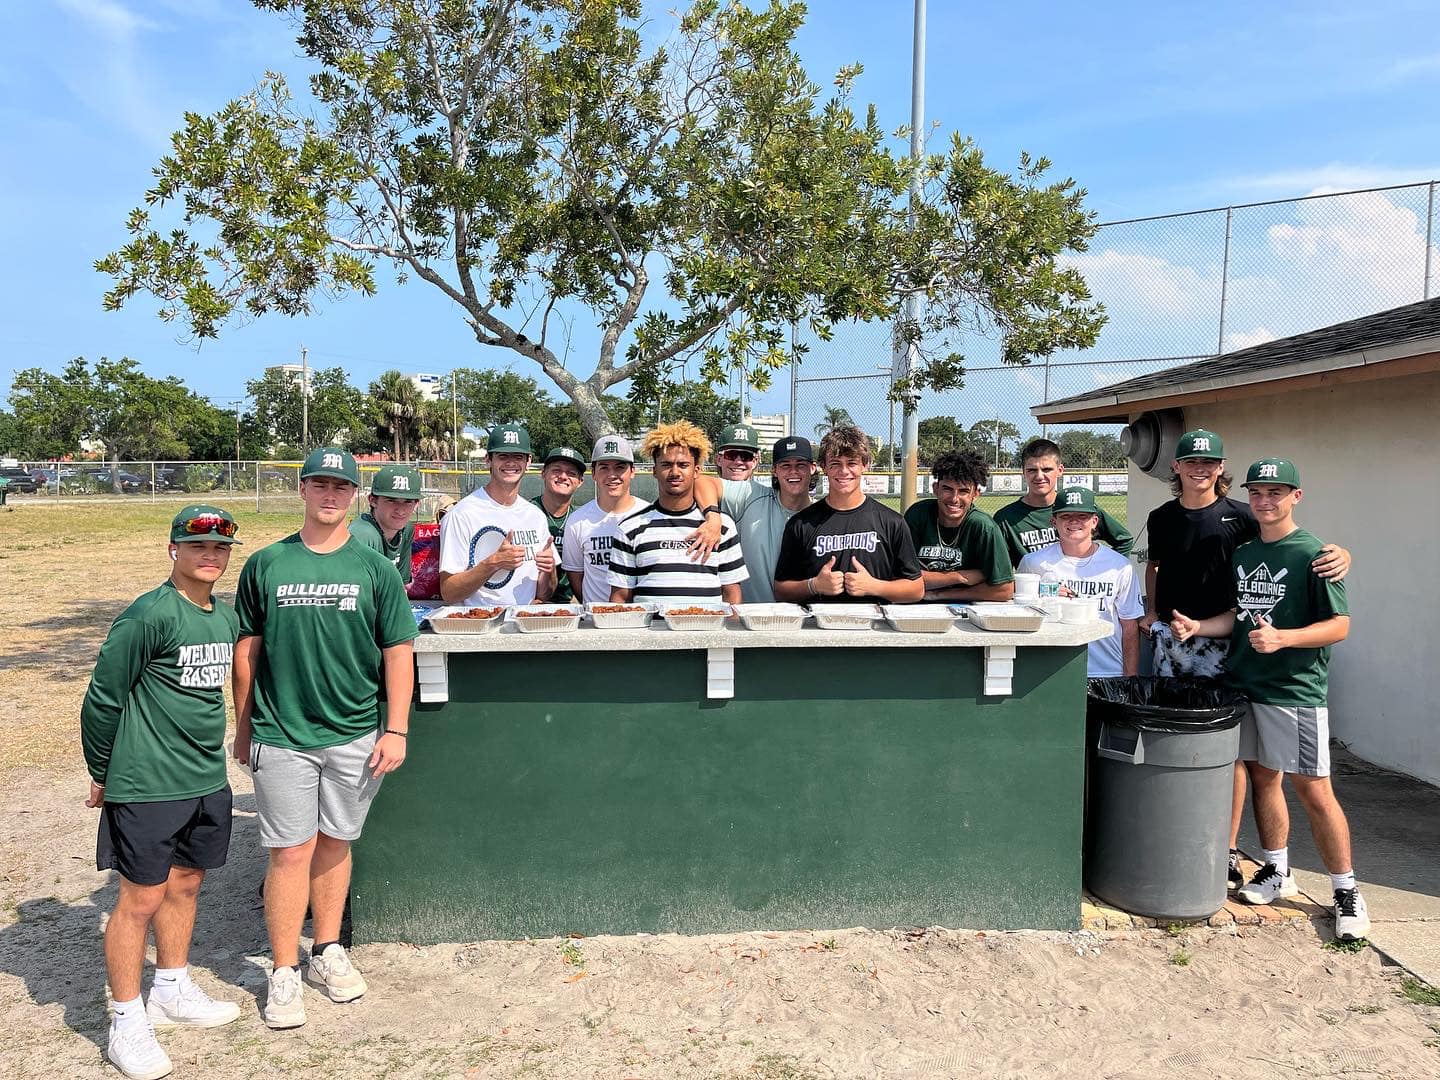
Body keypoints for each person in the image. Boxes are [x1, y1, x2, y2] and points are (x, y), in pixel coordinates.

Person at [232, 447, 418, 1029]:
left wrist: (395, 728)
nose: (330, 495)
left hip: (355, 732)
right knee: (290, 851)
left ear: (355, 495)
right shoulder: (267, 563)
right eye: (320, 484)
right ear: (303, 490)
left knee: (335, 842)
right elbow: (246, 651)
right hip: (282, 731)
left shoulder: (374, 568)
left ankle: (327, 948)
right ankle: (283, 969)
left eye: (341, 486)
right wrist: (243, 727)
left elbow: (398, 650)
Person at [1141, 428, 1351, 887]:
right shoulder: (1164, 518)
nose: (1200, 469)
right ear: (1176, 466)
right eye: (1191, 461)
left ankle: (1232, 850)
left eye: (1209, 462)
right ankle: (1201, 843)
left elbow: (1299, 555)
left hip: (1245, 659)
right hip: (1187, 644)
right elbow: (1158, 567)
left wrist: (1342, 554)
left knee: (1253, 767)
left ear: (1221, 468)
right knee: (1189, 749)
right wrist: (1157, 613)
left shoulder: (1244, 518)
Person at [1170, 458, 1368, 941]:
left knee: (1313, 789)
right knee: (1264, 778)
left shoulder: (1315, 554)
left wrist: (1284, 639)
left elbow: (1339, 626)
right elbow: (1239, 616)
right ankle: (1277, 868)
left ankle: (1346, 890)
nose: (1264, 501)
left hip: (1293, 691)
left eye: (1275, 492)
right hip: (1245, 685)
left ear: (1296, 496)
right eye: (1257, 492)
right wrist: (1199, 627)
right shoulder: (1246, 552)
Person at [82, 505, 244, 1080]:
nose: (210, 555)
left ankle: (171, 988)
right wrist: (102, 771)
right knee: (140, 901)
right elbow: (104, 697)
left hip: (205, 778)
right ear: (173, 549)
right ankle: (126, 1021)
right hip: (148, 783)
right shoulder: (148, 615)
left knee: (188, 883)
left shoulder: (223, 618)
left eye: (220, 548)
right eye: (198, 545)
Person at [773, 425, 924, 604]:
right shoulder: (801, 524)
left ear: (865, 465)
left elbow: (916, 589)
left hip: (874, 621)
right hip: (819, 621)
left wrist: (875, 586)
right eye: (835, 463)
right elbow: (781, 591)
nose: (844, 471)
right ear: (824, 467)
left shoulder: (891, 522)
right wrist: (814, 585)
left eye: (852, 463)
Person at [608, 420, 748, 603]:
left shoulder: (722, 526)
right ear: (654, 471)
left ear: (696, 470)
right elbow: (620, 596)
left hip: (708, 622)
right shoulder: (630, 528)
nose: (675, 472)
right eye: (666, 465)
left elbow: (731, 592)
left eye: (683, 465)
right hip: (651, 623)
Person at [1018, 488, 1142, 676]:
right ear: (1054, 522)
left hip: (1107, 671)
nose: (1074, 521)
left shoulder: (1119, 566)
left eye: (1082, 516)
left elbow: (1130, 626)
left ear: (1094, 521)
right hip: (1051, 671)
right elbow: (1020, 612)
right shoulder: (1034, 562)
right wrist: (1041, 594)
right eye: (1066, 516)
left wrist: (1130, 678)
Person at [438, 424, 557, 606]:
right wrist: (493, 563)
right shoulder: (462, 514)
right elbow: (449, 592)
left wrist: (549, 570)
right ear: (488, 460)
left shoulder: (535, 516)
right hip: (479, 619)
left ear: (528, 461)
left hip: (522, 619)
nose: (511, 463)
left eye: (518, 457)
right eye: (503, 456)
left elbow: (544, 594)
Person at [691, 435, 818, 603]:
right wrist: (713, 516)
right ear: (774, 470)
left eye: (800, 465)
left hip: (803, 616)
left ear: (812, 468)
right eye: (785, 465)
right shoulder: (751, 494)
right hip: (752, 614)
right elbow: (701, 481)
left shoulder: (822, 515)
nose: (793, 471)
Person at [993, 438, 1133, 565]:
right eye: (1032, 470)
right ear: (1023, 472)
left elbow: (1124, 540)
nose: (1039, 476)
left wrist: (1100, 571)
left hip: (1078, 584)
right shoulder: (1005, 519)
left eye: (1047, 469)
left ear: (1060, 470)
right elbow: (1000, 571)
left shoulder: (1077, 507)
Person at [903, 450, 1015, 602]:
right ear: (936, 489)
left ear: (975, 494)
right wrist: (959, 577)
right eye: (947, 489)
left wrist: (940, 595)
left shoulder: (984, 526)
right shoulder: (918, 514)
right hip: (917, 604)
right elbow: (900, 576)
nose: (954, 499)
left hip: (965, 608)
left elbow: (1004, 590)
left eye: (963, 491)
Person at [561, 435, 643, 605]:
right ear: (593, 473)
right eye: (604, 467)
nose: (612, 475)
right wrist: (593, 607)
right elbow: (575, 574)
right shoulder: (578, 520)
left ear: (632, 472)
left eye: (620, 467)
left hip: (641, 615)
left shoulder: (648, 516)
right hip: (595, 617)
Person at [349, 464, 422, 584]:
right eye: (391, 500)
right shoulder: (363, 534)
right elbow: (352, 588)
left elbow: (400, 586)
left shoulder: (406, 529)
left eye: (408, 501)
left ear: (417, 504)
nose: (400, 510)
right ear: (373, 500)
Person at [532, 447, 586, 604]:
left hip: (568, 603)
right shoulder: (526, 514)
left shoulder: (582, 519)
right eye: (556, 470)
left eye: (571, 473)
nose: (563, 476)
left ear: (580, 481)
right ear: (543, 473)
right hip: (529, 600)